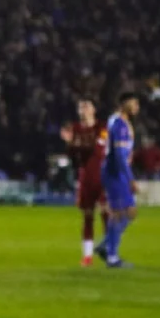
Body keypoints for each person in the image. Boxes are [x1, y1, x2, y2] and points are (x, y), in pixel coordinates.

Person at [59, 98, 108, 266]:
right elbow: (73, 157)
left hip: (102, 176)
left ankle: (109, 249)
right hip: (85, 177)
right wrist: (69, 144)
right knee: (87, 216)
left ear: (94, 110)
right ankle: (87, 256)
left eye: (87, 106)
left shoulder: (101, 127)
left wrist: (73, 142)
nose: (84, 110)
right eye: (81, 107)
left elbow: (97, 148)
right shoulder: (75, 129)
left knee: (106, 213)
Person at [100, 92, 140, 268]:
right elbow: (119, 155)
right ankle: (112, 256)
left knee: (128, 213)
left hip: (115, 172)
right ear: (124, 103)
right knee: (121, 213)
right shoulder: (120, 125)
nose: (137, 107)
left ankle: (106, 245)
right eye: (134, 103)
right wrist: (130, 178)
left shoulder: (117, 121)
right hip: (115, 173)